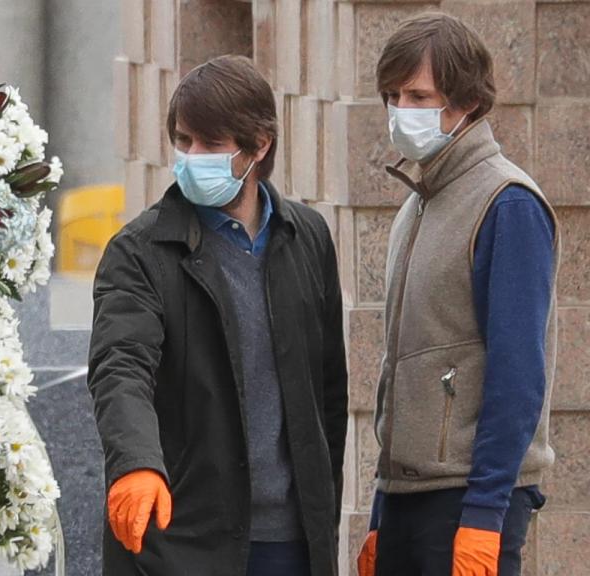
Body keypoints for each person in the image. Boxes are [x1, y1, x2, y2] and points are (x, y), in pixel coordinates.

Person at [87, 54, 348, 576]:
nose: (191, 156)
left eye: (211, 143)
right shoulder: (139, 251)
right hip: (182, 542)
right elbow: (121, 366)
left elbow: (328, 391)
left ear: (259, 146)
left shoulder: (307, 237)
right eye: (183, 141)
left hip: (291, 542)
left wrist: (323, 508)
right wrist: (136, 463)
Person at [356, 13, 558, 576]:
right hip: (407, 500)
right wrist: (380, 511)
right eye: (393, 96)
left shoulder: (508, 203)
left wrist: (486, 514)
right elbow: (401, 375)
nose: (402, 111)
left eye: (419, 95)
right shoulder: (416, 205)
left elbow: (518, 375)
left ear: (466, 100)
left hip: (469, 500)